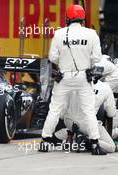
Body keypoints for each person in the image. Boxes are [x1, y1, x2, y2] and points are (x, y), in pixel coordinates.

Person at [39, 5, 104, 155]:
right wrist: (86, 59)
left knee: (55, 110)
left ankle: (45, 142)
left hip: (64, 76)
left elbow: (52, 57)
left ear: (67, 18)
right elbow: (97, 57)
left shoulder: (59, 34)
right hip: (83, 76)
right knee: (88, 111)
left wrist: (64, 60)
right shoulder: (91, 34)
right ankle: (94, 144)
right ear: (82, 18)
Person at [54, 80, 118, 153]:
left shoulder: (74, 82)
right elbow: (111, 114)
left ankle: (64, 137)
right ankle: (86, 141)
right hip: (88, 124)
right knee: (111, 147)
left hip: (68, 121)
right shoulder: (105, 87)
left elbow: (62, 110)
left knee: (78, 129)